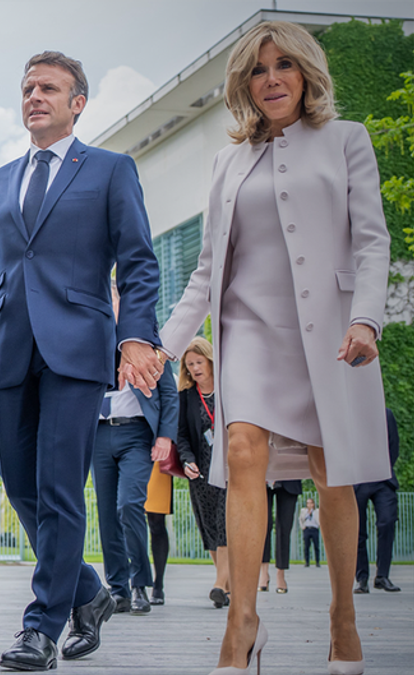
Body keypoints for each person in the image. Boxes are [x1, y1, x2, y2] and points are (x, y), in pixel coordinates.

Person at [158, 21, 391, 674]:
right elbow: (205, 267)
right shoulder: (226, 162)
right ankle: (243, 621)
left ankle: (343, 616)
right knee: (239, 447)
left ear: (307, 72)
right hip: (250, 327)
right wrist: (164, 344)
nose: (272, 79)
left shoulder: (347, 141)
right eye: (259, 70)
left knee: (331, 466)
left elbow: (372, 240)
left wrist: (367, 319)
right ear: (245, 84)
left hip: (332, 328)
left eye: (284, 65)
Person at [0, 51, 161, 672]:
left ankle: (41, 629)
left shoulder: (108, 170)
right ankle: (91, 592)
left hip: (78, 349)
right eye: (27, 88)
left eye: (49, 88)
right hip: (11, 351)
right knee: (19, 486)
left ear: (78, 102)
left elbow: (138, 262)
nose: (34, 97)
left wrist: (136, 337)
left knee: (57, 488)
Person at [92, 286, 178, 616]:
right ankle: (118, 589)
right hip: (99, 434)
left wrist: (165, 437)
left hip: (137, 435)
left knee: (129, 504)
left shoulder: (146, 341)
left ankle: (141, 582)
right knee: (106, 514)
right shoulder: (92, 342)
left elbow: (169, 394)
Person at [175, 337, 231, 609]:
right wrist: (186, 460)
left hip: (229, 468)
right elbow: (181, 436)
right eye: (190, 364)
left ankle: (220, 584)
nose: (195, 368)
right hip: (200, 473)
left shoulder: (227, 389)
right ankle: (225, 583)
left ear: (210, 361)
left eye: (199, 362)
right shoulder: (185, 396)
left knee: (224, 525)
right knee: (209, 527)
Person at [354, 408, 402, 593]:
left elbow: (393, 445)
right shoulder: (352, 415)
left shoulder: (386, 414)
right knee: (358, 530)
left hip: (383, 479)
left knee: (387, 522)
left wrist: (383, 469)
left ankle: (382, 575)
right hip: (358, 480)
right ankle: (362, 578)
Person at [260, 479, 301, 593]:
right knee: (263, 526)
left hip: (289, 477)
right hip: (263, 476)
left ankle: (280, 573)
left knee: (284, 527)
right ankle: (264, 573)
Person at [144, 464, 171, 605]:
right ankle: (128, 583)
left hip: (157, 456)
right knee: (127, 517)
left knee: (156, 521)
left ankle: (158, 584)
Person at [301, 497, 321, 568]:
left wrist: (319, 525)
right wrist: (302, 526)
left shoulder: (316, 511)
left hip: (314, 528)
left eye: (310, 503)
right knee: (306, 546)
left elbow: (319, 519)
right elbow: (301, 519)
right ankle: (307, 562)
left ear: (313, 504)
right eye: (307, 503)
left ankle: (317, 562)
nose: (309, 505)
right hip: (307, 528)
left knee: (316, 546)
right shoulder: (303, 511)